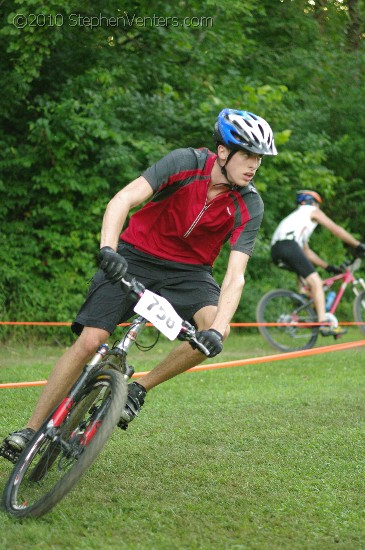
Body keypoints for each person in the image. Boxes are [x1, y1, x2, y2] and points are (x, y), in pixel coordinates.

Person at [0, 108, 277, 462]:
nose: (254, 165)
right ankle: (30, 427)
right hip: (136, 254)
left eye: (259, 158)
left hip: (189, 274)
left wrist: (219, 329)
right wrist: (108, 249)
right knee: (91, 340)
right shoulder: (184, 163)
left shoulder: (249, 203)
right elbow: (124, 199)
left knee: (212, 334)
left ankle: (139, 389)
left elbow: (235, 274)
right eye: (249, 155)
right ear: (223, 152)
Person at [271, 190, 365, 336]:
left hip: (277, 251)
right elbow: (336, 230)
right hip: (289, 247)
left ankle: (302, 302)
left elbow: (306, 252)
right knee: (316, 282)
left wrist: (328, 267)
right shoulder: (312, 211)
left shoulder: (295, 219)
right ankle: (323, 324)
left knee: (309, 282)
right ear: (313, 202)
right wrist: (357, 245)